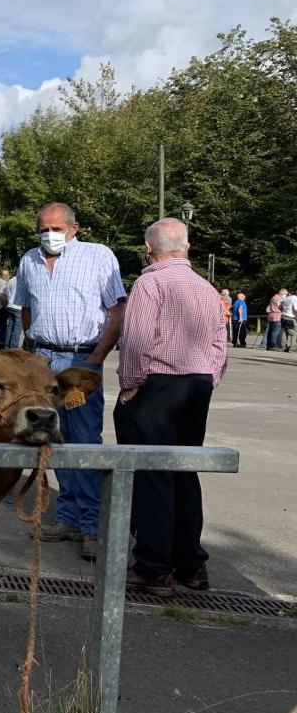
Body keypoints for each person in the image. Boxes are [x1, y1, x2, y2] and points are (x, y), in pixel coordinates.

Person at [117, 218, 227, 596]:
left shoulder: (150, 283)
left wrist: (130, 387)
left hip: (158, 385)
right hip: (196, 384)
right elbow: (219, 345)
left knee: (151, 475)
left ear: (149, 249)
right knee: (184, 471)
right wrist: (209, 378)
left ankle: (153, 567)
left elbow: (136, 341)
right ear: (187, 247)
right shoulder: (207, 288)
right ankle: (191, 564)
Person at [12, 202, 126, 563]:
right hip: (44, 360)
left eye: (57, 228)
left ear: (73, 229)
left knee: (86, 439)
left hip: (81, 359)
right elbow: (25, 305)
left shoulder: (98, 256)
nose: (49, 234)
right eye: (43, 227)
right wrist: (30, 347)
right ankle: (68, 518)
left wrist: (95, 360)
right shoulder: (29, 260)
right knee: (53, 437)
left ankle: (91, 525)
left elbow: (117, 310)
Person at [0, 267, 12, 350]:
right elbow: (6, 297)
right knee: (3, 326)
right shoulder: (6, 284)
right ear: (7, 276)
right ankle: (1, 344)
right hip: (2, 307)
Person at [3, 268, 23, 348]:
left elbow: (6, 293)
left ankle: (6, 345)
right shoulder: (22, 280)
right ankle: (14, 346)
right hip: (18, 306)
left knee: (10, 326)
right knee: (17, 328)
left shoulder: (11, 280)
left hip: (10, 305)